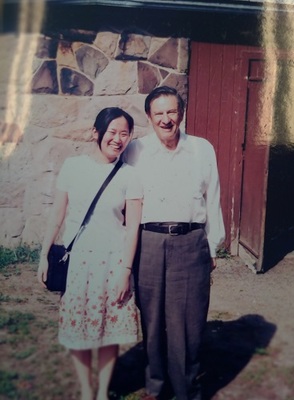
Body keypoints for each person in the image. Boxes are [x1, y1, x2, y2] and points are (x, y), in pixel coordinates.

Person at [123, 86, 225, 400]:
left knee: (189, 323)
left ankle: (186, 390)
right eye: (159, 114)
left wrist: (211, 245)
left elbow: (213, 199)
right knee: (152, 320)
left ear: (181, 113)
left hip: (190, 242)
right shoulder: (134, 150)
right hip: (149, 243)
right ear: (149, 117)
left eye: (172, 112)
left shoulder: (201, 149)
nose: (166, 119)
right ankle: (155, 385)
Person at [37, 107, 142, 400]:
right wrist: (43, 254)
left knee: (110, 330)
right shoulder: (73, 166)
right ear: (96, 132)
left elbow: (132, 228)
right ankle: (86, 390)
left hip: (112, 262)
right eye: (112, 131)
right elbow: (57, 214)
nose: (118, 139)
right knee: (76, 327)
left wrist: (125, 270)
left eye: (124, 133)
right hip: (78, 261)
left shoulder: (130, 176)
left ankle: (102, 392)